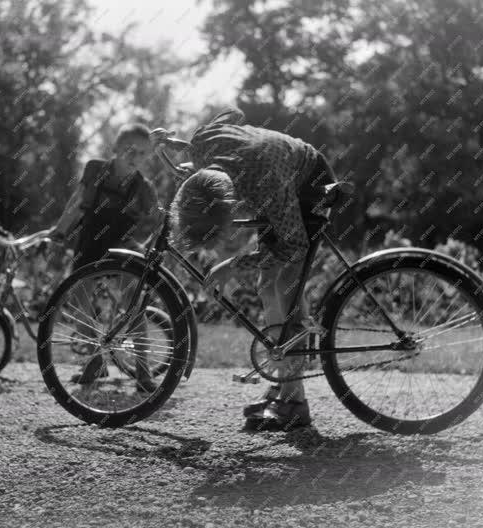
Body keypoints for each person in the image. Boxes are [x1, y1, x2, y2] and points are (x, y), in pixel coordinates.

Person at [152, 107, 342, 431]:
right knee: (268, 285)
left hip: (307, 183)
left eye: (220, 235)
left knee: (284, 287)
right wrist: (179, 143)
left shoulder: (264, 187)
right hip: (271, 169)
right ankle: (285, 384)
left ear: (231, 209)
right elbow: (234, 114)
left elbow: (292, 245)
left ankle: (295, 404)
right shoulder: (201, 142)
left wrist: (235, 264)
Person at [50, 123, 161, 391]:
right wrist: (61, 229)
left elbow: (160, 220)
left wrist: (149, 246)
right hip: (90, 240)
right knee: (79, 298)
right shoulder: (95, 169)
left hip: (122, 244)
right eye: (130, 150)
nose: (136, 157)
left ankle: (143, 371)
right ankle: (95, 361)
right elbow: (77, 201)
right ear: (115, 148)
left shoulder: (144, 187)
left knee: (133, 303)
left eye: (143, 153)